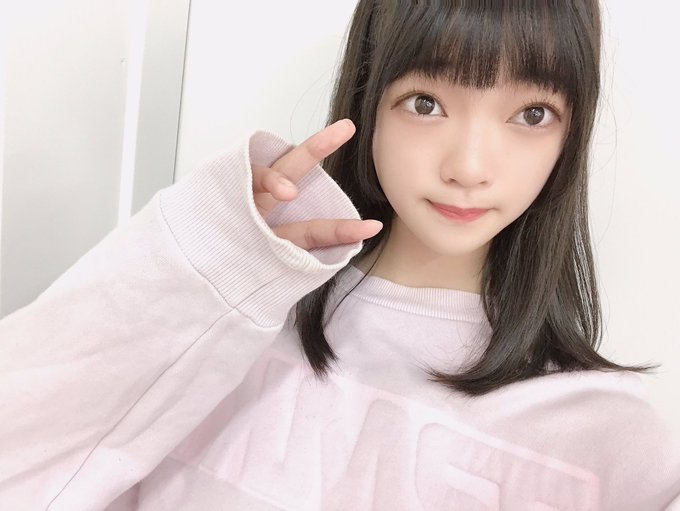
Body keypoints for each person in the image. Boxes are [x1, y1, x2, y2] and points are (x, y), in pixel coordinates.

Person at [1, 1, 679, 509]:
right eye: (425, 103)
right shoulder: (228, 322)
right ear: (368, 101)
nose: (470, 167)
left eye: (531, 114)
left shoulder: (609, 440)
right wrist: (209, 264)